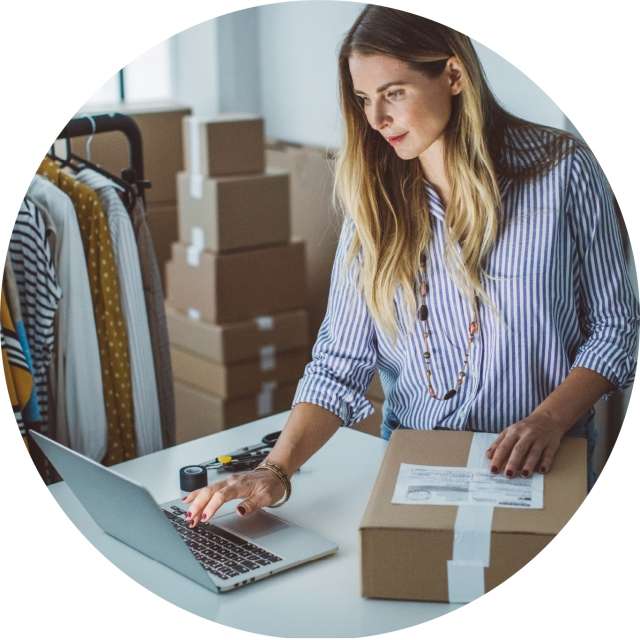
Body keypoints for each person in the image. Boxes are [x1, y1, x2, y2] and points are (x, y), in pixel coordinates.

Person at [183, 5, 640, 527]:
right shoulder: (374, 203)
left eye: (393, 92)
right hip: (415, 469)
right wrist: (275, 471)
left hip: (543, 466)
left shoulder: (563, 171)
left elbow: (616, 329)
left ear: (453, 74)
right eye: (363, 99)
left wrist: (548, 420)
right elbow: (340, 362)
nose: (376, 119)